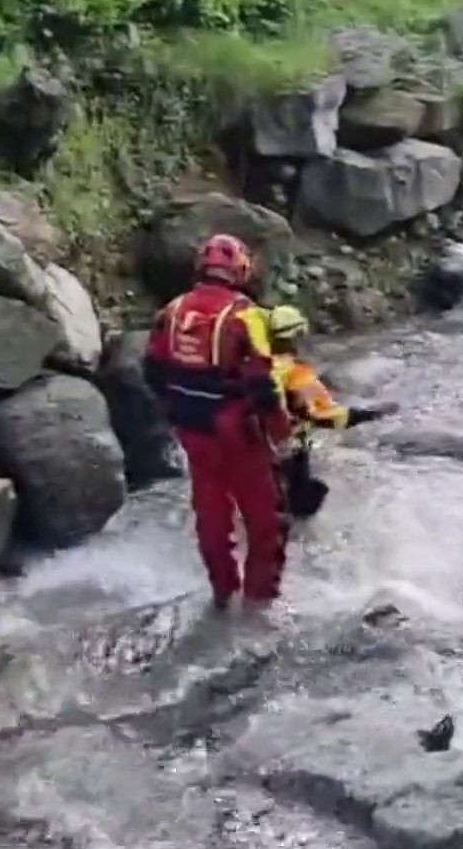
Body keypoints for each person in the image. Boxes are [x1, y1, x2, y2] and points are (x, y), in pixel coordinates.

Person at [143, 233, 291, 611]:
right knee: (265, 523)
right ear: (240, 270)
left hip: (194, 433)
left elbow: (153, 371)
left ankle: (223, 594)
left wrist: (175, 411)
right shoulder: (247, 315)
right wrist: (282, 437)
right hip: (240, 435)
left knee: (211, 517)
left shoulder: (172, 311)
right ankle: (259, 604)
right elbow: (262, 384)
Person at [264, 304, 398, 519]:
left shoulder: (254, 364)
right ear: (298, 336)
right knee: (304, 501)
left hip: (250, 443)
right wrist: (370, 414)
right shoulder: (297, 373)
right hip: (287, 446)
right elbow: (323, 415)